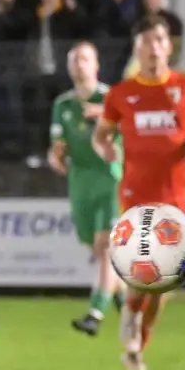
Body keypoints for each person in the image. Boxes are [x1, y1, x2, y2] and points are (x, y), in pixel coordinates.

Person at [93, 15, 185, 370]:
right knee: (145, 272)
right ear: (137, 48)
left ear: (168, 46)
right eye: (146, 41)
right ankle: (131, 326)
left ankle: (136, 338)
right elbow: (102, 135)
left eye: (159, 40)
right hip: (135, 195)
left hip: (174, 197)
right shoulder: (121, 94)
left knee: (164, 283)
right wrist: (106, 149)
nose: (153, 47)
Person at [48, 41, 126, 336]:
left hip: (109, 179)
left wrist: (107, 117)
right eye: (74, 60)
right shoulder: (63, 105)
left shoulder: (111, 99)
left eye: (85, 59)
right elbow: (57, 145)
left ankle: (95, 313)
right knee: (95, 247)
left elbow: (129, 129)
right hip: (79, 182)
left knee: (106, 247)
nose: (79, 64)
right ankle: (122, 298)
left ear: (96, 65)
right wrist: (55, 157)